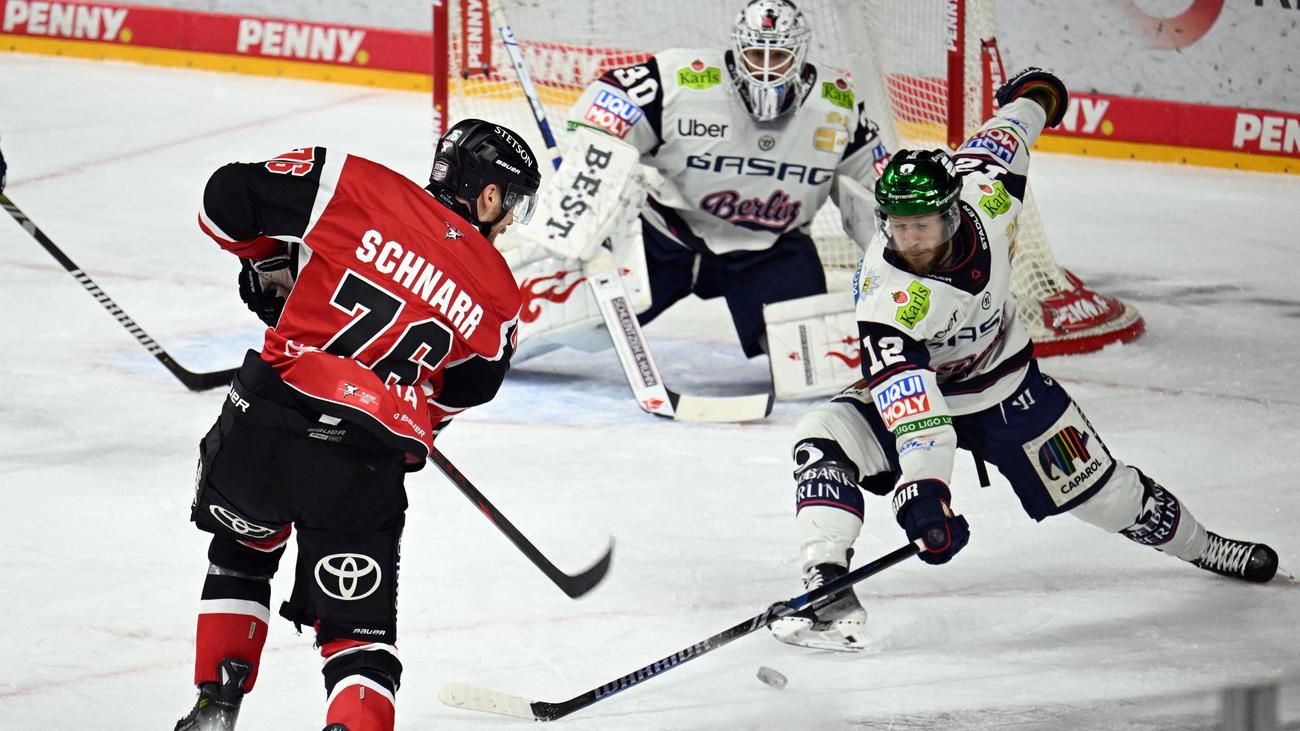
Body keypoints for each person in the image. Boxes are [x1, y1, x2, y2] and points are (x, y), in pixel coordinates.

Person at [770, 68, 1279, 652]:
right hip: (923, 399)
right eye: (899, 226)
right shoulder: (888, 304)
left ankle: (1204, 545)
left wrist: (1037, 95)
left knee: (1108, 497)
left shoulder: (986, 189)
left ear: (955, 212)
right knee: (821, 436)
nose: (910, 240)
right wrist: (926, 494)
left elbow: (1011, 127)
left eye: (924, 224)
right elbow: (919, 420)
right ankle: (826, 581)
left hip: (1007, 391)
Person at [173, 120, 541, 731]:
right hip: (364, 458)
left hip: (267, 417)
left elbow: (225, 199)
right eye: (512, 204)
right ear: (489, 195)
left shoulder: (351, 183)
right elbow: (465, 393)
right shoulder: (500, 296)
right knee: (357, 637)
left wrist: (268, 263)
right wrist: (413, 416)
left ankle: (215, 705)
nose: (508, 224)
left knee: (242, 551)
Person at [520, 0, 890, 360]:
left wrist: (905, 263)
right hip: (666, 236)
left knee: (809, 363)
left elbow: (876, 194)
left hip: (770, 251)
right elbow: (609, 99)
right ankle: (489, 347)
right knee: (566, 322)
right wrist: (594, 177)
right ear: (738, 48)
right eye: (755, 55)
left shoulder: (836, 105)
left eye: (777, 57)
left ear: (800, 54)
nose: (765, 69)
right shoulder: (684, 80)